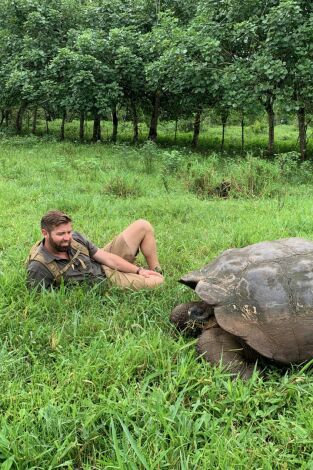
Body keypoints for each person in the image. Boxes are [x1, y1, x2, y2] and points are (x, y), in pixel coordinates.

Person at [26, 210, 164, 291]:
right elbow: (41, 301)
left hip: (98, 263)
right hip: (103, 279)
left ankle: (155, 269)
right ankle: (154, 276)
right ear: (45, 233)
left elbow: (105, 257)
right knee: (158, 281)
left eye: (69, 231)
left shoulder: (75, 238)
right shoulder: (39, 267)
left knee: (142, 226)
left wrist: (139, 271)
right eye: (61, 234)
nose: (67, 238)